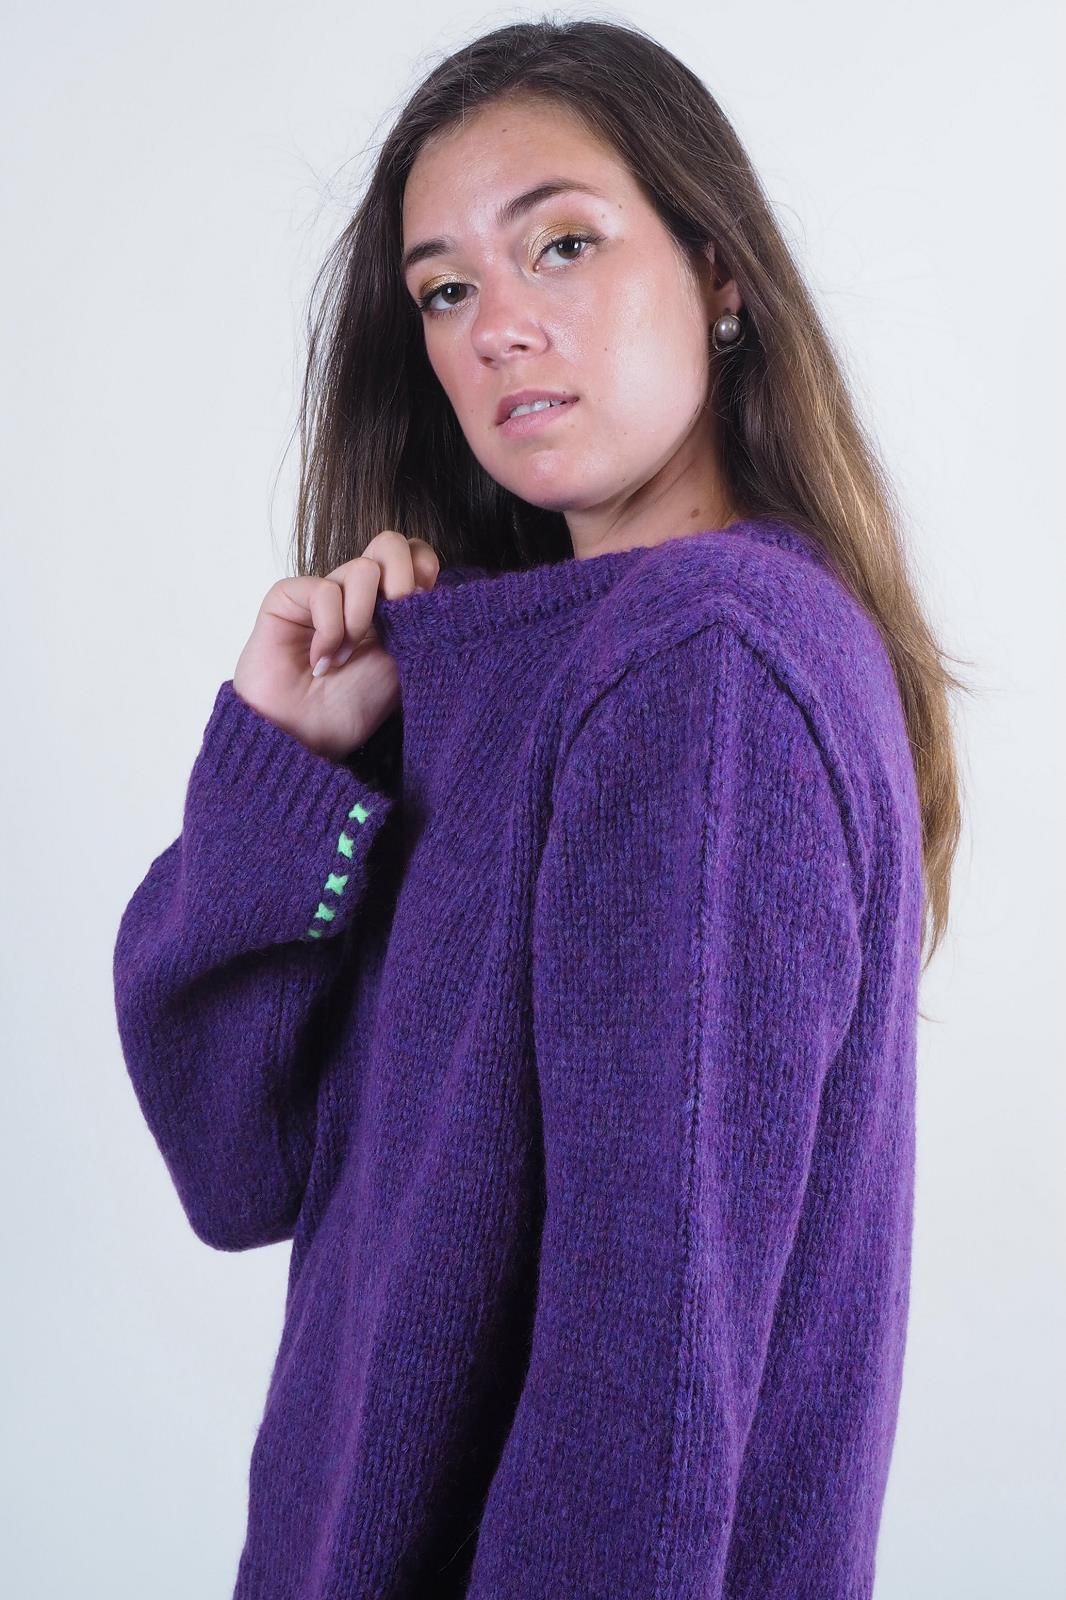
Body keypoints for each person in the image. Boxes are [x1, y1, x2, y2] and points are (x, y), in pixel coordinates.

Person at [111, 17, 966, 1599]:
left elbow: (645, 1375)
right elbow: (237, 1163)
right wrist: (289, 770)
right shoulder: (519, 677)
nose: (499, 326)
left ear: (719, 273)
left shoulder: (700, 666)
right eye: (445, 289)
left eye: (562, 244)